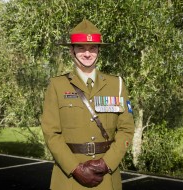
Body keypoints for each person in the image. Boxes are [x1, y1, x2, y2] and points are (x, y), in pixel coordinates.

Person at [41, 19, 135, 190]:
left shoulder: (117, 85)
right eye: (81, 48)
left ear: (99, 51)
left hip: (106, 176)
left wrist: (106, 164)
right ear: (71, 50)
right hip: (68, 177)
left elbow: (126, 129)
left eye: (92, 48)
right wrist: (75, 169)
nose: (87, 54)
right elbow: (51, 133)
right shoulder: (57, 85)